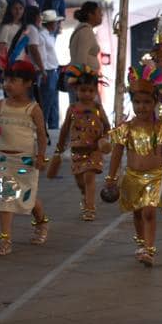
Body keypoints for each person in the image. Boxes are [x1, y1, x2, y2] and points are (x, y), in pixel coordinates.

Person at [103, 63, 162, 267]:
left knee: (148, 211)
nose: (142, 107)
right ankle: (140, 242)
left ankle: (149, 248)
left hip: (154, 177)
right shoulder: (126, 129)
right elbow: (117, 154)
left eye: (146, 102)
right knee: (137, 213)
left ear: (155, 102)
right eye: (137, 102)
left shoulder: (161, 128)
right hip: (131, 177)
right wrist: (111, 178)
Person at [0, 60, 49, 256]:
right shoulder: (1, 104)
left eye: (13, 80)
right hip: (5, 161)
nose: (7, 84)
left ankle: (41, 222)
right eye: (6, 80)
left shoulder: (33, 109)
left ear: (28, 83)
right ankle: (5, 240)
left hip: (26, 162)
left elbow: (41, 135)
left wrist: (41, 156)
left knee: (26, 199)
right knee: (5, 198)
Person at [54, 65, 111, 221]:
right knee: (80, 180)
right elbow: (65, 128)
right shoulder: (72, 109)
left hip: (94, 150)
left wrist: (104, 139)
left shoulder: (98, 108)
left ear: (95, 91)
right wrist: (59, 146)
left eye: (91, 91)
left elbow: (107, 126)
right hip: (77, 150)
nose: (87, 94)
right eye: (83, 90)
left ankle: (90, 208)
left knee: (89, 178)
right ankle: (85, 196)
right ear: (76, 90)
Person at [68, 2, 103, 104]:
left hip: (86, 81)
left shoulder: (85, 30)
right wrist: (85, 84)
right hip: (85, 82)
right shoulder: (85, 31)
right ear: (90, 15)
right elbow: (80, 59)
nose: (101, 15)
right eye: (99, 12)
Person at [39, 9, 62, 129]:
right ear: (50, 23)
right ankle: (42, 128)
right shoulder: (42, 35)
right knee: (46, 103)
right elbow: (42, 56)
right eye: (55, 22)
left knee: (53, 103)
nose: (57, 25)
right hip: (47, 72)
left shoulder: (49, 35)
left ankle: (53, 128)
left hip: (53, 71)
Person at [0, 0, 26, 66]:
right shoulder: (6, 27)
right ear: (10, 10)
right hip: (9, 64)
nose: (18, 11)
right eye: (15, 8)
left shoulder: (24, 27)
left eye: (21, 8)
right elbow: (1, 48)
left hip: (21, 62)